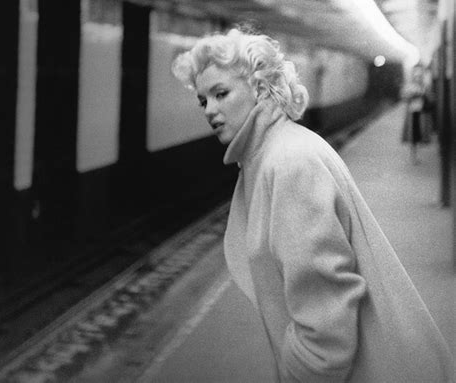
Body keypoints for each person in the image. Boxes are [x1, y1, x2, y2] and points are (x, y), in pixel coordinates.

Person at [172, 27, 455, 383]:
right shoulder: (274, 153)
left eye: (221, 93)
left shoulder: (289, 163)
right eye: (203, 100)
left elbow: (327, 326)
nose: (210, 110)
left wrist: (300, 369)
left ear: (259, 88)